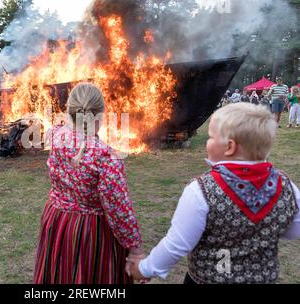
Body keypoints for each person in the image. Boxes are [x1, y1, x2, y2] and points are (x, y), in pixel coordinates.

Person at [127, 103, 300, 284]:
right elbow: (293, 230)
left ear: (229, 147)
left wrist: (143, 268)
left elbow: (176, 245)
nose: (207, 142)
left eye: (210, 137)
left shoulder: (200, 191)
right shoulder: (287, 187)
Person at [33, 83, 144, 284]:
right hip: (90, 233)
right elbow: (119, 209)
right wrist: (135, 249)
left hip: (57, 221)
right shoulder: (107, 157)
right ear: (101, 116)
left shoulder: (55, 136)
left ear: (69, 112)